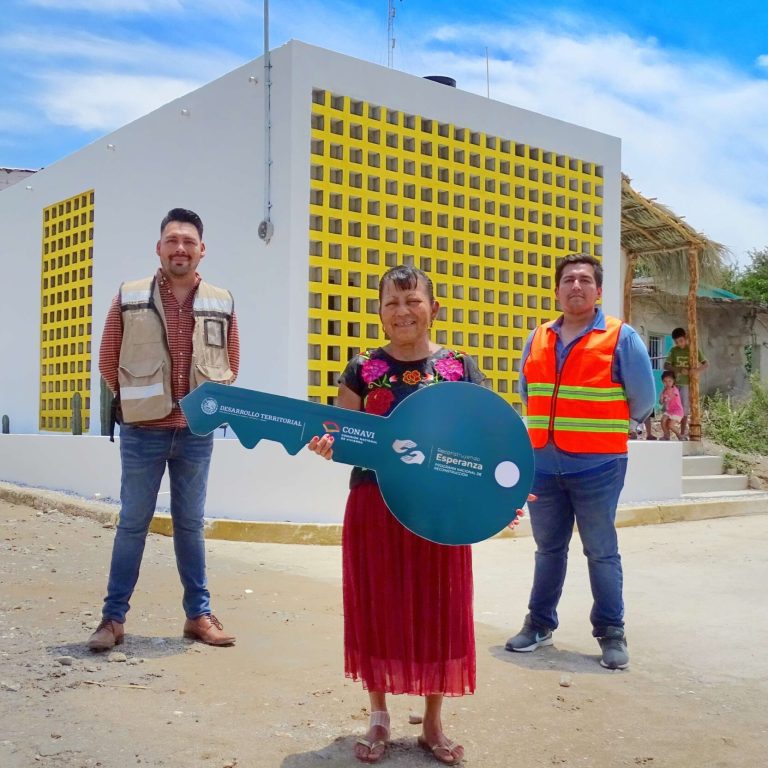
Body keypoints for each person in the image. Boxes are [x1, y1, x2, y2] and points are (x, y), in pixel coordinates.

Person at [309, 265, 494, 765]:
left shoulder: (458, 368)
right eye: (391, 302)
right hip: (374, 504)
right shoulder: (361, 369)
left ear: (434, 309)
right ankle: (378, 714)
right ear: (380, 312)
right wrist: (329, 446)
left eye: (412, 301)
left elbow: (486, 437)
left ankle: (433, 722)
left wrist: (500, 498)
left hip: (441, 510)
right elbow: (341, 435)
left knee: (441, 607)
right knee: (378, 604)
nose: (402, 311)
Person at [87, 208, 240, 651]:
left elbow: (230, 361)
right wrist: (141, 403)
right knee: (132, 523)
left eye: (188, 242)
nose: (180, 248)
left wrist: (203, 406)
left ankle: (199, 616)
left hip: (195, 432)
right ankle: (112, 620)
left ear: (201, 250)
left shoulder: (220, 300)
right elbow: (107, 359)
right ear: (159, 248)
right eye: (172, 240)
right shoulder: (130, 295)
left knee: (190, 524)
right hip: (142, 433)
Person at [505, 254, 656, 670]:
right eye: (568, 279)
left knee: (601, 551)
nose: (576, 286)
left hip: (599, 466)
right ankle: (538, 625)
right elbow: (526, 391)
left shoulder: (620, 336)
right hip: (543, 464)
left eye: (585, 280)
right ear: (556, 290)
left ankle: (611, 632)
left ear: (598, 291)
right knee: (547, 550)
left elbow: (644, 399)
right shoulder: (537, 337)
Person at [664, 327, 708, 439]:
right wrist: (678, 370)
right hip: (673, 385)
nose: (679, 344)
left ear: (686, 338)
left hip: (686, 385)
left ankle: (682, 433)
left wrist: (696, 370)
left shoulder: (693, 350)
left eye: (681, 341)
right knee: (670, 407)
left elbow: (706, 364)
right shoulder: (674, 351)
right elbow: (666, 365)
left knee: (683, 409)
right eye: (677, 342)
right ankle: (667, 434)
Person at [659, 370, 684, 441]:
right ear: (662, 382)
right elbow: (661, 402)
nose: (667, 383)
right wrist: (661, 398)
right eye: (665, 381)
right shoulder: (664, 391)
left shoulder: (674, 389)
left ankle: (679, 436)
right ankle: (666, 435)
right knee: (663, 420)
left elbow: (672, 396)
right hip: (669, 410)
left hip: (677, 411)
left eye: (669, 381)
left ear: (673, 381)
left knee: (670, 425)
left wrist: (665, 396)